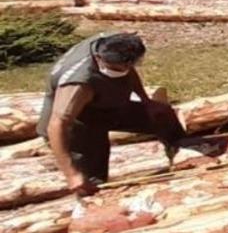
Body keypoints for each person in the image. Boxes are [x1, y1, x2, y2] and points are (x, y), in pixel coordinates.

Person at [36, 32, 184, 196]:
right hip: (78, 126)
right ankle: (92, 211)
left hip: (108, 106)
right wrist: (72, 174)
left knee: (162, 115)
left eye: (126, 67)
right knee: (92, 181)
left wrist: (146, 101)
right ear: (99, 58)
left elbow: (128, 72)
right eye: (115, 69)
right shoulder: (78, 84)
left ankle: (183, 155)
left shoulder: (116, 44)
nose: (122, 71)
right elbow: (57, 124)